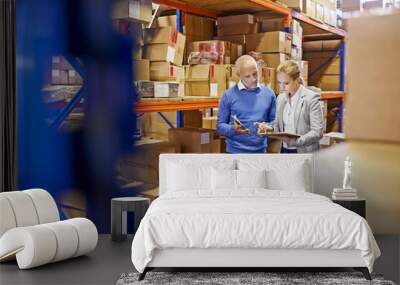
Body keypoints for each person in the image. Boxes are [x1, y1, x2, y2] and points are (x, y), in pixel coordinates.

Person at [216, 55, 276, 153]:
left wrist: (268, 127)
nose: (253, 79)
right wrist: (233, 129)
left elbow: (275, 122)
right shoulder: (228, 95)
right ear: (239, 75)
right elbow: (220, 126)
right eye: (248, 76)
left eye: (255, 74)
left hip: (260, 152)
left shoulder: (269, 94)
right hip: (234, 153)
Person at [265, 60, 324, 153]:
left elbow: (317, 132)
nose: (281, 87)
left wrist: (296, 142)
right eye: (279, 82)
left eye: (286, 83)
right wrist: (269, 128)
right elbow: (277, 125)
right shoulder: (280, 98)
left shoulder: (311, 99)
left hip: (304, 151)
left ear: (296, 80)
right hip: (284, 149)